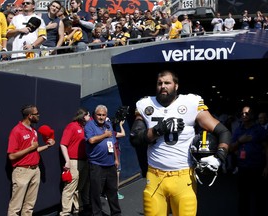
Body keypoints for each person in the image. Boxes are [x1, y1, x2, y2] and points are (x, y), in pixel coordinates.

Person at [129, 70, 231, 216]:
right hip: (155, 176)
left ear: (176, 86)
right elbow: (135, 139)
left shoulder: (190, 103)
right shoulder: (145, 104)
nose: (163, 86)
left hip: (183, 177)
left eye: (167, 83)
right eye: (160, 83)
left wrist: (220, 155)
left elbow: (223, 131)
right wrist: (159, 130)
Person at [7, 104, 55, 216]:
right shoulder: (17, 131)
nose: (39, 115)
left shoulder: (33, 130)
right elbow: (11, 156)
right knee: (15, 207)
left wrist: (48, 146)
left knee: (29, 206)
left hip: (35, 170)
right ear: (30, 116)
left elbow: (35, 150)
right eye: (36, 113)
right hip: (22, 171)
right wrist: (30, 148)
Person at [230, 106, 268, 216]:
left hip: (258, 168)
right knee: (243, 196)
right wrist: (239, 141)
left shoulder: (259, 130)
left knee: (259, 196)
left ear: (252, 115)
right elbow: (231, 148)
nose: (244, 115)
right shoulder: (238, 130)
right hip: (243, 168)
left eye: (247, 113)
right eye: (242, 113)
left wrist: (267, 167)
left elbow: (266, 148)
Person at [84, 105, 122, 216]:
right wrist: (105, 135)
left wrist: (116, 159)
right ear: (94, 115)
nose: (101, 117)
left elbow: (113, 143)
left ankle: (116, 213)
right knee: (96, 192)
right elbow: (91, 140)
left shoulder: (108, 125)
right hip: (97, 165)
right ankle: (97, 214)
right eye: (99, 115)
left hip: (110, 164)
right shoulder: (89, 125)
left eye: (103, 115)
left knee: (113, 191)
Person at [59, 107, 91, 216]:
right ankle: (65, 212)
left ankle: (77, 209)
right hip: (73, 161)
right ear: (83, 116)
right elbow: (63, 144)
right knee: (70, 188)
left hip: (84, 161)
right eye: (88, 115)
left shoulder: (85, 127)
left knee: (79, 187)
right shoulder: (71, 126)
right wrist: (67, 161)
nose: (89, 117)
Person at [113, 119, 126, 200]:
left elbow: (123, 134)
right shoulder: (111, 133)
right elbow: (123, 134)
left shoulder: (112, 133)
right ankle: (115, 193)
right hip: (115, 157)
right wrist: (121, 125)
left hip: (116, 155)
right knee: (116, 174)